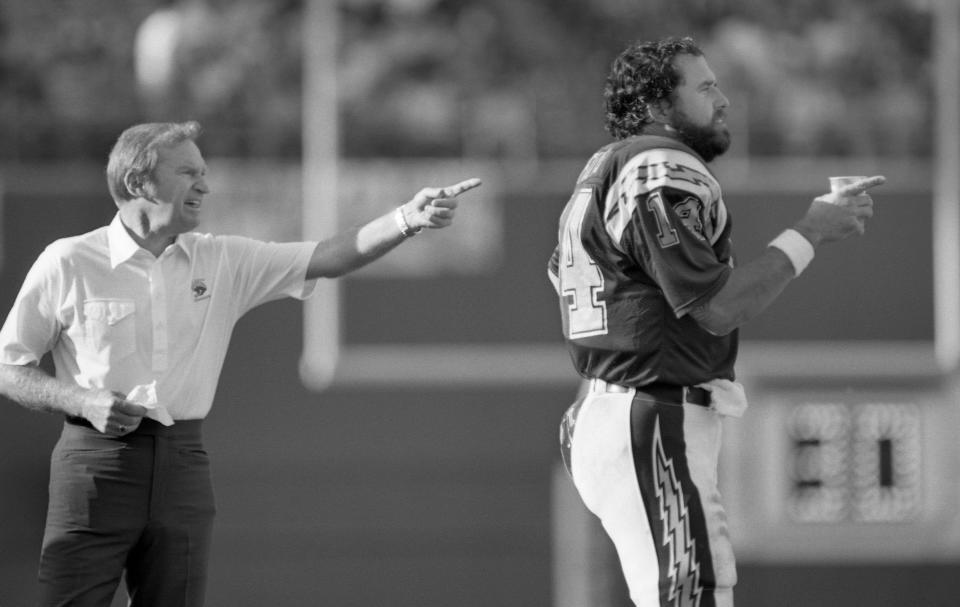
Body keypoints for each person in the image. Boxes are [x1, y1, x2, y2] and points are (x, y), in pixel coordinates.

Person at [0, 120, 481, 607]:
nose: (205, 185)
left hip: (182, 463)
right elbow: (7, 367)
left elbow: (329, 257)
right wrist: (81, 399)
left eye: (203, 172)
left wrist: (406, 219)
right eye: (188, 172)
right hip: (94, 464)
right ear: (137, 183)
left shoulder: (222, 259)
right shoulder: (68, 261)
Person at [547, 37, 883, 607]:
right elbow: (717, 307)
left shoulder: (605, 165)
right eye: (705, 87)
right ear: (657, 103)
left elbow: (563, 271)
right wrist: (812, 230)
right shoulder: (659, 164)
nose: (724, 100)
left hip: (617, 407)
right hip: (649, 414)